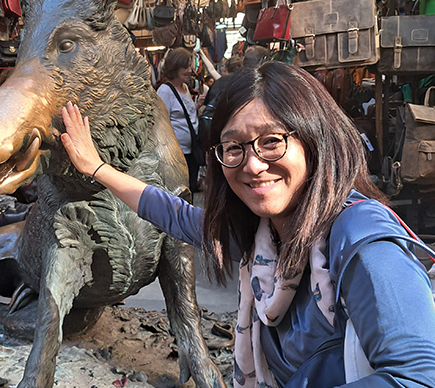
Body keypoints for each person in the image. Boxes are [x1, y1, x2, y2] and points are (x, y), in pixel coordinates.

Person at [60, 61, 435, 387]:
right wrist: (96, 167)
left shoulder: (362, 242)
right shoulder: (262, 241)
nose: (253, 165)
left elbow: (418, 377)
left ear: (315, 141)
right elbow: (171, 213)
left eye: (271, 141)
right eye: (235, 147)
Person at [156, 47, 203, 192]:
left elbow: (184, 115)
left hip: (191, 151)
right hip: (177, 155)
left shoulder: (185, 88)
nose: (190, 70)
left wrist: (197, 107)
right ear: (175, 67)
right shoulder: (165, 91)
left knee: (191, 187)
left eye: (190, 66)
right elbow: (160, 123)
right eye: (186, 66)